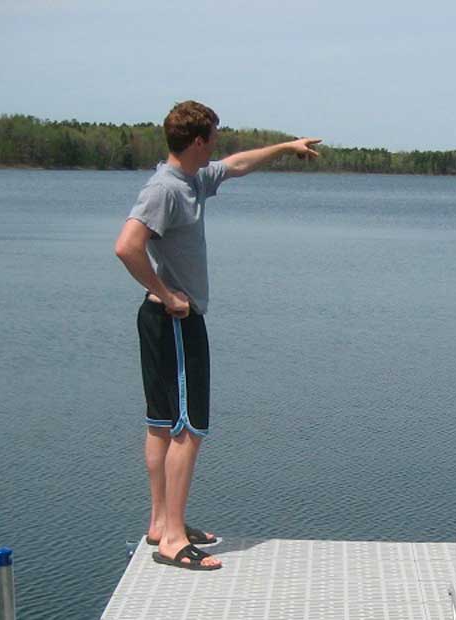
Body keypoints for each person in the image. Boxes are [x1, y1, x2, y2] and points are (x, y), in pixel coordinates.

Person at [115, 100, 321, 571]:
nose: (219, 145)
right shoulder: (165, 190)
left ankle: (161, 522)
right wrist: (166, 294)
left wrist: (287, 147)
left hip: (164, 320)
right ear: (198, 141)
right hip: (173, 321)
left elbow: (236, 166)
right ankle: (171, 538)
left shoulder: (192, 179)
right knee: (189, 428)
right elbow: (126, 246)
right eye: (214, 136)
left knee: (162, 424)